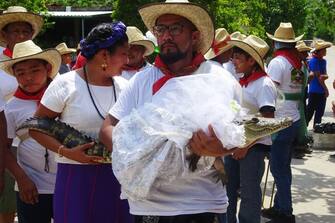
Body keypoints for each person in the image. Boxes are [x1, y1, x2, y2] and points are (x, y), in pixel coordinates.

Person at [100, 1, 242, 222]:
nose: (166, 36)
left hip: (200, 204)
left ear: (194, 37)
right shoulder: (141, 80)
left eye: (175, 29)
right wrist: (133, 156)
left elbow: (241, 135)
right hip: (148, 206)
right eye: (161, 29)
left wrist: (221, 147)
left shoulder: (220, 79)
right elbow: (108, 127)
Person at [29, 22, 132, 223]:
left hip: (118, 177)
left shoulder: (125, 87)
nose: (127, 60)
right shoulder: (65, 85)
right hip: (76, 178)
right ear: (104, 55)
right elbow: (36, 127)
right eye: (123, 54)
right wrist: (66, 152)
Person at [0, 40, 61, 223]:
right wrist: (21, 179)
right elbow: (4, 148)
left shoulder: (62, 98)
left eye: (35, 70)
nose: (28, 77)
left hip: (67, 185)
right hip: (31, 187)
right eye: (21, 73)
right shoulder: (11, 108)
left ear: (47, 69)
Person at [224, 35, 277, 223]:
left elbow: (267, 121)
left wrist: (245, 146)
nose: (234, 61)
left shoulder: (263, 84)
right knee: (227, 190)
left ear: (251, 60)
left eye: (238, 57)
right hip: (235, 144)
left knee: (249, 194)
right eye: (233, 57)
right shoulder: (244, 80)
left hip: (252, 148)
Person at [0, 6, 43, 223]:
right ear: (4, 35)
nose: (20, 36)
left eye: (25, 31)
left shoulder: (40, 58)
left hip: (33, 137)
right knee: (6, 198)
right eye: (15, 31)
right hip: (5, 137)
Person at [262, 22, 304, 223]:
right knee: (283, 168)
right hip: (294, 119)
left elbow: (270, 92)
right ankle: (280, 206)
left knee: (279, 169)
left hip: (280, 121)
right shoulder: (298, 62)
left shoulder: (278, 63)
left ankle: (286, 211)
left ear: (275, 42)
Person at [292, 41, 313, 158]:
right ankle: (296, 146)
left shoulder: (303, 65)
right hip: (297, 96)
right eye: (304, 52)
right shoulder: (295, 66)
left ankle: (300, 144)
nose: (306, 55)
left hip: (302, 95)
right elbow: (296, 84)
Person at [305, 39, 332, 128]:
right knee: (309, 114)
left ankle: (316, 131)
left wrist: (325, 77)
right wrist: (326, 90)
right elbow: (320, 78)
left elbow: (324, 75)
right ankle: (304, 132)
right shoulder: (313, 61)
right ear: (319, 51)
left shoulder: (323, 61)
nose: (325, 51)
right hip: (314, 91)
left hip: (321, 91)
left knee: (319, 115)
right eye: (324, 50)